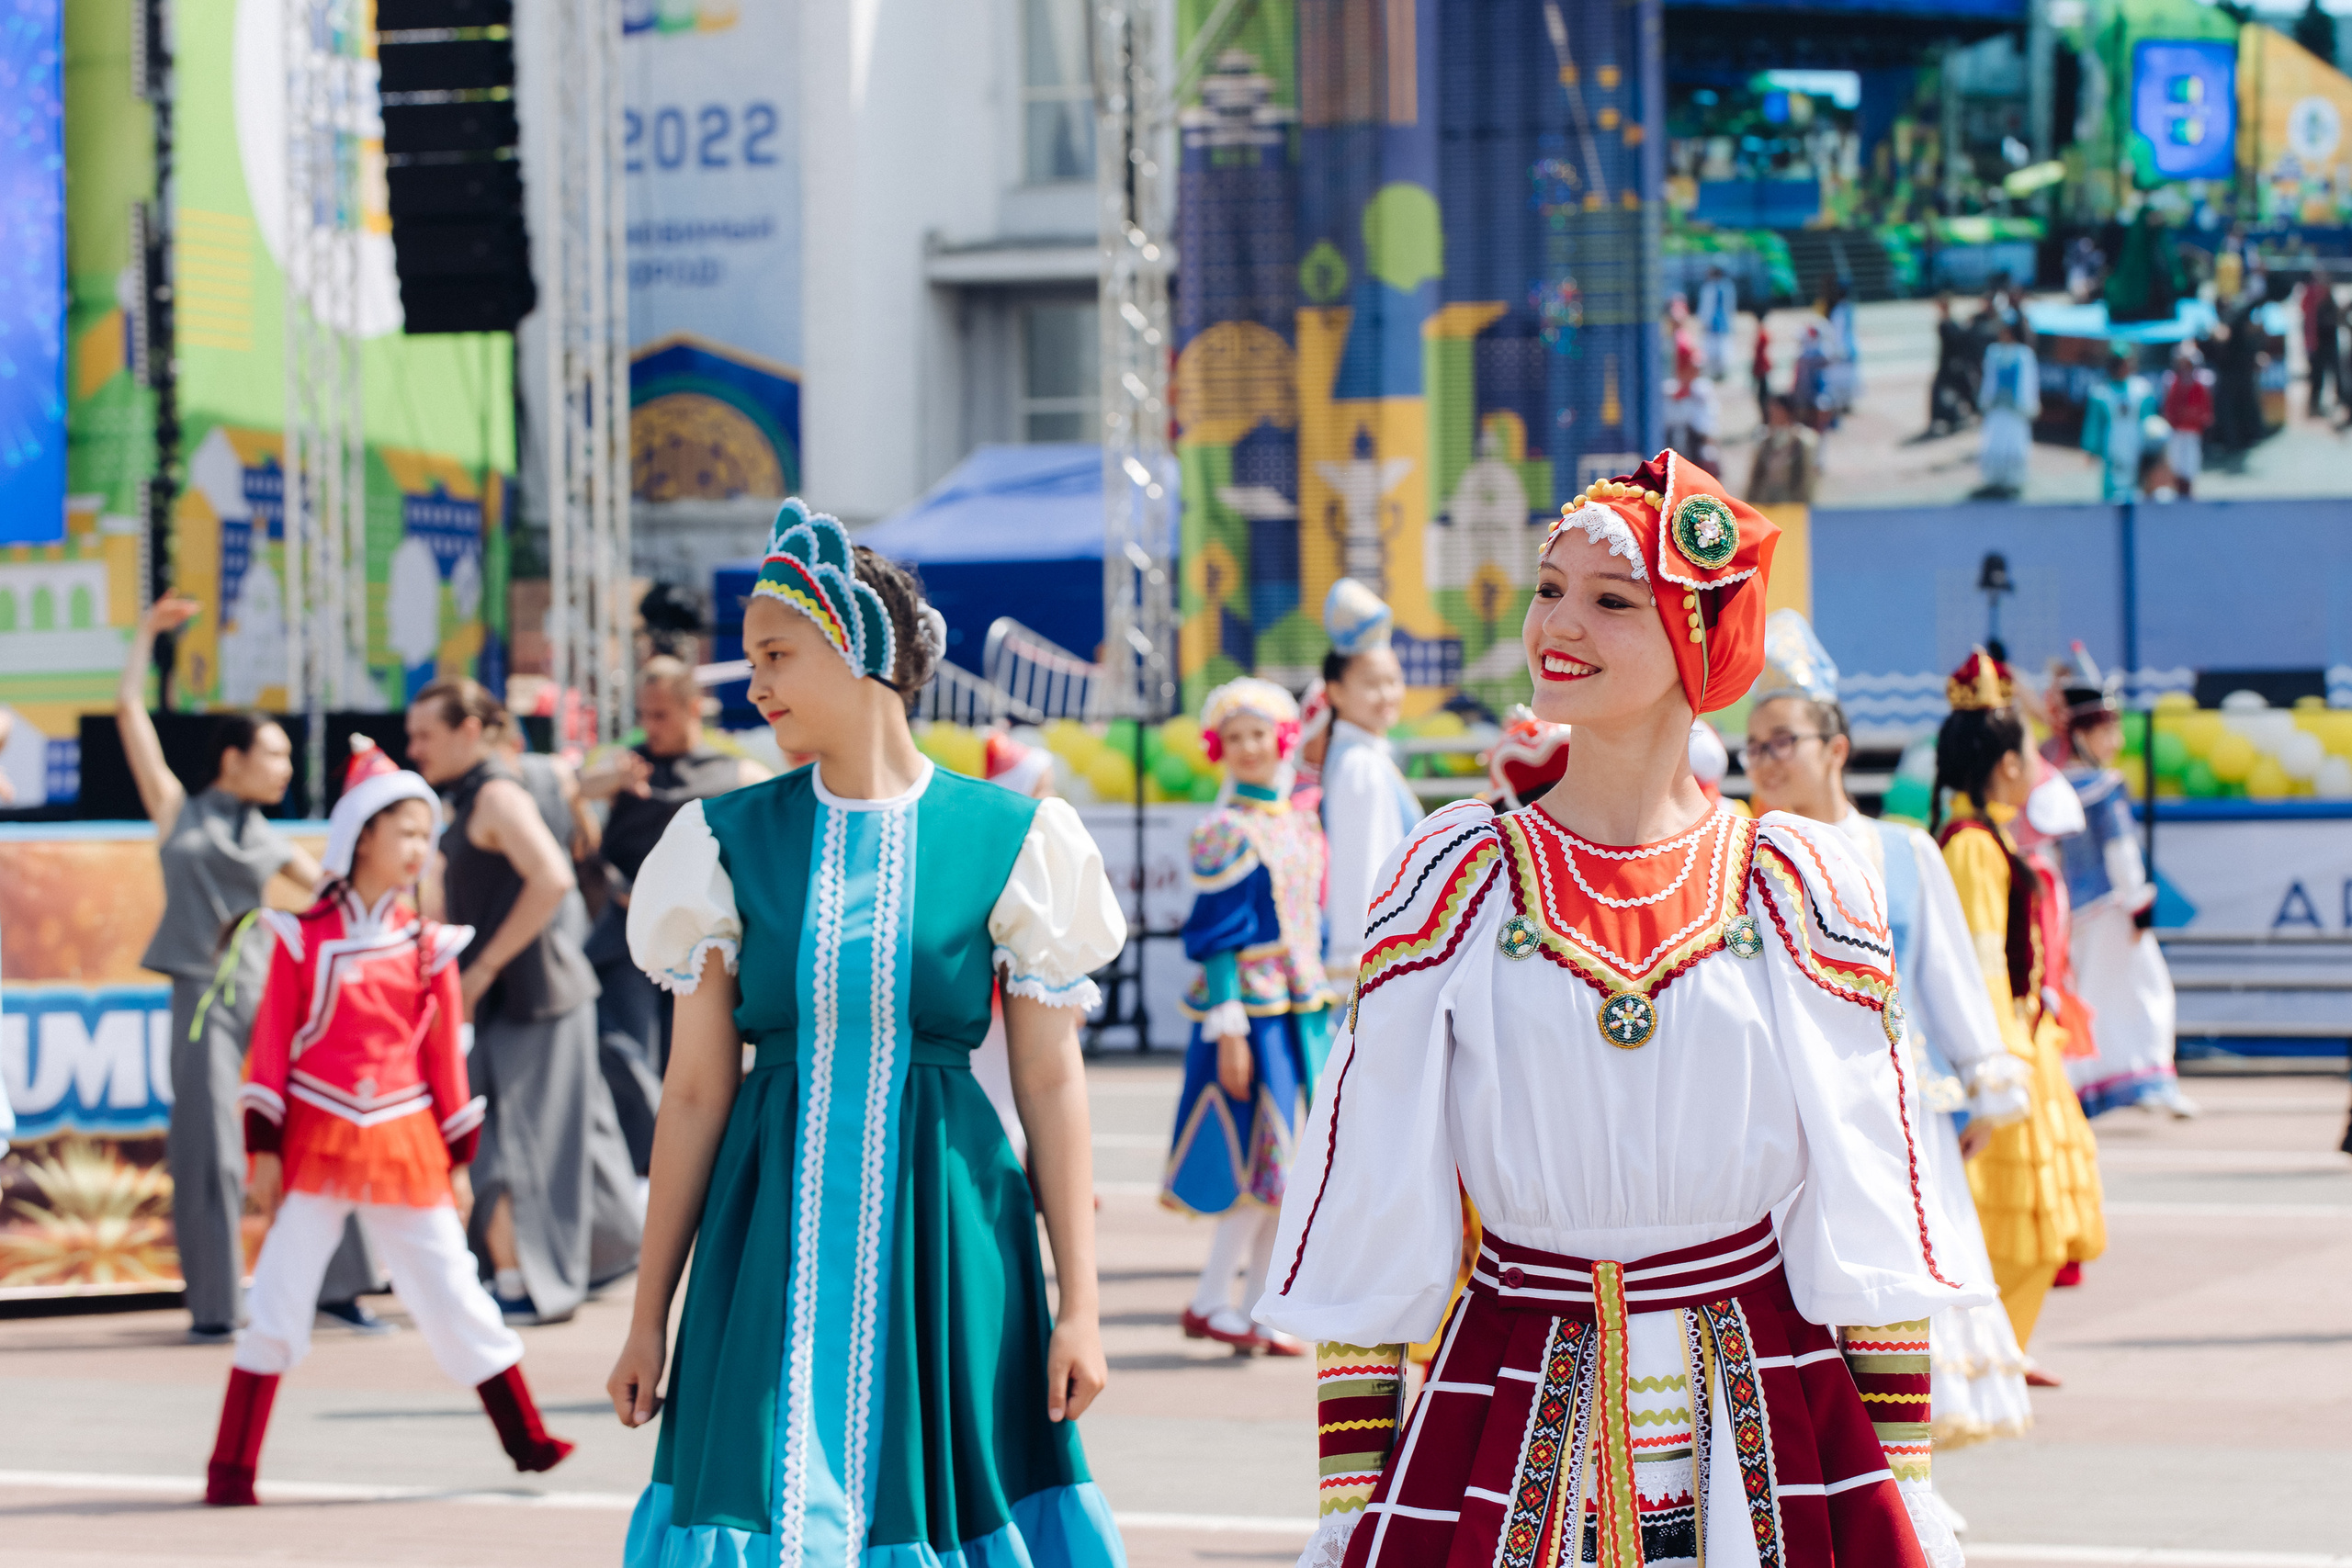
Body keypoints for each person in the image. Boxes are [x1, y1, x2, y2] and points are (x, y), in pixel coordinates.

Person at [1266, 454, 1976, 1568]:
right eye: (1549, 589)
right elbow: (1371, 1186)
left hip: (1762, 1402)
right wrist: (1352, 1487)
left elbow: (1868, 1188)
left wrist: (1903, 1476)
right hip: (1506, 1381)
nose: (1559, 622)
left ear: (1697, 641)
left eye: (1610, 601)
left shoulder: (1791, 880)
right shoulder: (1454, 875)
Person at [609, 502, 1128, 1565]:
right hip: (764, 1242)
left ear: (862, 652)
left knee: (937, 1494)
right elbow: (698, 1091)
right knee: (761, 1490)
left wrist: (1081, 1304)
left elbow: (1050, 1083)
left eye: (775, 655)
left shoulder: (1015, 838)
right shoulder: (717, 840)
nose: (752, 685)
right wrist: (647, 1313)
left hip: (948, 1230)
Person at [203, 762, 574, 1506]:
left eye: (425, 834)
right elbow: (270, 1047)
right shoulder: (299, 938)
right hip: (317, 1138)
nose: (417, 848)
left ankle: (527, 1438)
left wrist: (460, 1160)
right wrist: (263, 1149)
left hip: (406, 1141)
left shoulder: (429, 945)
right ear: (360, 835)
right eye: (403, 831)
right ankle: (231, 1469)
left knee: (450, 1285)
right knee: (279, 1291)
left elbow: (445, 1062)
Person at [1743, 615, 2036, 1510]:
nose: (1761, 761)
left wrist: (1985, 1083)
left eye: (1780, 741)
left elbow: (1948, 975)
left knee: (1894, 1307)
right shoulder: (1738, 860)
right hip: (1776, 1125)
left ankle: (1900, 1500)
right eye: (1750, 746)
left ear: (1836, 746)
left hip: (1893, 1120)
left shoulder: (1902, 853)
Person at [117, 592, 385, 1343]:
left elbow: (336, 892)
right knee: (210, 1148)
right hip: (203, 994)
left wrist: (381, 803)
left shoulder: (268, 838)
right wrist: (147, 634)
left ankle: (342, 1288)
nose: (285, 767)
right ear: (233, 758)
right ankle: (214, 1305)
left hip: (272, 996)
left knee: (316, 1128)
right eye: (274, 754)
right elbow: (129, 709)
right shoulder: (178, 810)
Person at [406, 678, 640, 1326]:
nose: (415, 746)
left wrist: (480, 967)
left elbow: (554, 876)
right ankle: (594, 1258)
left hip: (535, 996)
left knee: (520, 1143)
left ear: (469, 730)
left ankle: (530, 1281)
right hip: (531, 994)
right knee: (577, 1138)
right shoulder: (470, 794)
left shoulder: (495, 792)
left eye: (426, 733)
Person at [1930, 652, 2106, 1373]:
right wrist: (1995, 1068)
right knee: (2017, 1221)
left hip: (2028, 1042)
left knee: (2044, 1219)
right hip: (2009, 1054)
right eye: (2028, 749)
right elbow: (1975, 968)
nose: (2036, 761)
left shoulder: (1989, 839)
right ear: (2005, 764)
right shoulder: (1973, 848)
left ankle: (2003, 1345)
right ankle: (1985, 1351)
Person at [1165, 678, 1335, 1356]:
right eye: (1233, 738)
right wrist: (1229, 1022)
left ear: (1282, 739)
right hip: (1251, 1015)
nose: (1247, 748)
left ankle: (1260, 1307)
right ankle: (1213, 1298)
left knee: (1286, 1167)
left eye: (1257, 734)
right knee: (1262, 1160)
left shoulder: (1296, 821)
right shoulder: (1222, 832)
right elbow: (1218, 935)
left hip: (1297, 1011)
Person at [577, 658, 771, 1168]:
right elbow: (569, 790)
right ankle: (652, 1163)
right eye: (645, 714)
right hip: (625, 936)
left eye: (661, 714)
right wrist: (604, 783)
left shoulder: (733, 773)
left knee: (689, 1060)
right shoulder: (626, 765)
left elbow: (779, 815)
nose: (651, 727)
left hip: (700, 941)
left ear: (692, 710)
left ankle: (692, 1162)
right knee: (621, 1050)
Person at [2048, 661, 2192, 1120]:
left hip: (2072, 912)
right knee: (2148, 990)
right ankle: (2151, 1080)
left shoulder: (2053, 786)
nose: (2118, 742)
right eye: (2108, 731)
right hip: (2112, 909)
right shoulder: (2105, 787)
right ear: (2084, 734)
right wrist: (2137, 902)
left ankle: (2087, 1084)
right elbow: (2121, 850)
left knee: (2086, 998)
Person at [1317, 578, 1417, 1000]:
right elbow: (1361, 874)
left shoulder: (1363, 757)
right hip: (1373, 963)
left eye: (1394, 680)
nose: (1388, 694)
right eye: (1373, 683)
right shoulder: (1360, 766)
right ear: (1335, 692)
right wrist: (1363, 966)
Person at [2080, 343, 2156, 502]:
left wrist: (2152, 451)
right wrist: (2092, 450)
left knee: (2135, 489)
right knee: (2112, 488)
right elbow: (2094, 425)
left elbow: (2149, 422)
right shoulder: (2101, 392)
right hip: (2113, 444)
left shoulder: (2141, 389)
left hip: (2135, 443)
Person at [1978, 315, 2040, 498]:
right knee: (1995, 440)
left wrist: (2026, 405)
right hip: (1998, 409)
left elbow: (2028, 382)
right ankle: (1994, 478)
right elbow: (1989, 380)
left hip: (2016, 410)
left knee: (2014, 442)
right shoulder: (1993, 352)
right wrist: (1987, 401)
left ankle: (2013, 479)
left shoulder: (2024, 355)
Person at [2159, 344, 2214, 499]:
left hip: (2192, 434)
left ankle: (2188, 499)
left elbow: (2206, 415)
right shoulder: (2171, 381)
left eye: (2189, 363)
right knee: (2175, 469)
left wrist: (2193, 416)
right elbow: (2168, 410)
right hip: (2176, 433)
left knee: (2190, 470)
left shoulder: (2202, 383)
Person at [1747, 392, 1821, 504]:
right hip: (1766, 501)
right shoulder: (1764, 438)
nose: (1772, 413)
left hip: (1792, 501)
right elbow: (1756, 475)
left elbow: (1808, 477)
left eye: (1777, 409)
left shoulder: (1804, 440)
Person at [1661, 342, 1723, 472]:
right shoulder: (1669, 389)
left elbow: (1708, 425)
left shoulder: (1703, 389)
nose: (1695, 372)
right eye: (1690, 368)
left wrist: (1708, 446)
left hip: (1697, 445)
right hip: (1673, 447)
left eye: (1697, 369)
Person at [1927, 292, 1976, 435]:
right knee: (1942, 393)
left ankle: (1962, 416)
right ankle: (1948, 418)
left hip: (1953, 364)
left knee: (1961, 391)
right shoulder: (1945, 324)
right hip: (1948, 364)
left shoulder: (1949, 323)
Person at [1696, 264, 1737, 380]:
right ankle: (1714, 372)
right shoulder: (1710, 287)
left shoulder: (1724, 287)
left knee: (1722, 349)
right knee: (1711, 348)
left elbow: (1729, 306)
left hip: (1721, 322)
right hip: (1713, 323)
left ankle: (1720, 372)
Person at [1750, 307, 1774, 425]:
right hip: (1762, 366)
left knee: (1763, 397)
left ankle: (1767, 420)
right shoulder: (1762, 333)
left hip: (1762, 367)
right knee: (1762, 396)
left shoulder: (1762, 334)